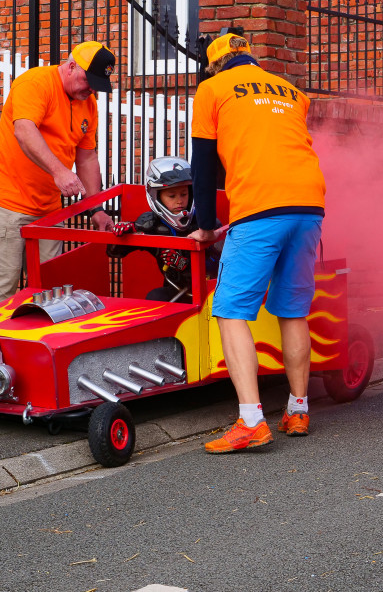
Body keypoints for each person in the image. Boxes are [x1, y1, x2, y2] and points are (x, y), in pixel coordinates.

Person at [188, 32, 326, 454]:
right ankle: (298, 410)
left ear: (214, 65)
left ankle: (251, 421)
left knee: (230, 310)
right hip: (309, 205)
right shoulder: (292, 92)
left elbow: (203, 163)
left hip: (260, 207)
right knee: (293, 309)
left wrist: (206, 225)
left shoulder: (212, 89)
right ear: (249, 57)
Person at [0, 41, 117, 308]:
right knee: (2, 290)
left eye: (97, 84)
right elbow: (24, 130)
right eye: (88, 80)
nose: (91, 89)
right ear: (71, 66)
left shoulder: (89, 104)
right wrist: (59, 171)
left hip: (47, 208)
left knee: (50, 292)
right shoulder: (35, 82)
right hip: (6, 199)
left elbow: (87, 157)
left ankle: (36, 336)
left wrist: (96, 209)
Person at [107, 156, 222, 302]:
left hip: (211, 293)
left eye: (184, 194)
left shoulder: (205, 222)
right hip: (175, 291)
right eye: (172, 196)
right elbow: (114, 252)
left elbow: (221, 264)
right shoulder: (151, 224)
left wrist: (185, 265)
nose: (179, 201)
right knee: (154, 297)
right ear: (157, 196)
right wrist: (124, 232)